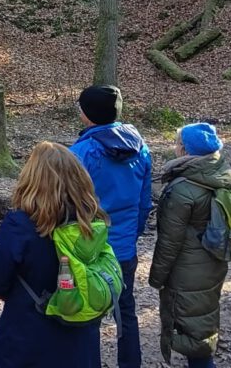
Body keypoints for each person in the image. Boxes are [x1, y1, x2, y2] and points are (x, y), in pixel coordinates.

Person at [0, 142, 109, 368]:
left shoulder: (20, 224)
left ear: (31, 179)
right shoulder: (91, 223)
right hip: (81, 338)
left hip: (28, 338)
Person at [68, 85, 153, 368]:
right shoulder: (141, 148)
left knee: (88, 313)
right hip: (125, 249)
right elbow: (144, 204)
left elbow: (68, 206)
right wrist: (132, 235)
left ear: (87, 115)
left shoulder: (81, 153)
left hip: (89, 250)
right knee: (125, 311)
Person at [149, 123, 231, 368]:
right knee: (202, 320)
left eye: (177, 143)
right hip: (213, 261)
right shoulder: (220, 174)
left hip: (187, 269)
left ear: (184, 150)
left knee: (193, 333)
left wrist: (157, 277)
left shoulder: (183, 188)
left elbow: (169, 241)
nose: (174, 147)